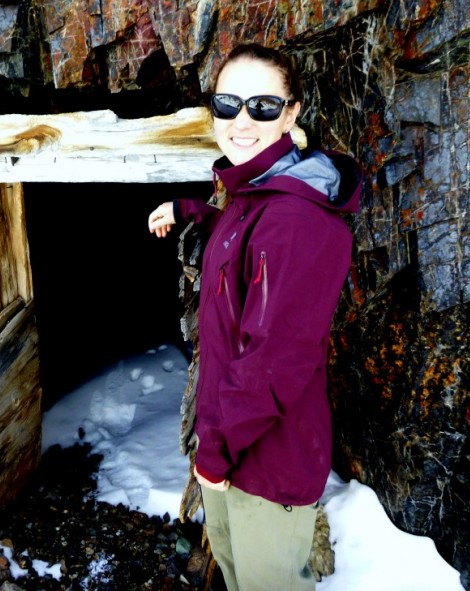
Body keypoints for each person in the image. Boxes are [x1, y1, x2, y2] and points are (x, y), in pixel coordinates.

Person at [147, 43, 361, 591]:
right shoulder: (254, 195)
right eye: (227, 104)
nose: (242, 121)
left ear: (291, 114)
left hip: (267, 462)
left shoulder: (296, 221)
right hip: (231, 440)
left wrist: (213, 453)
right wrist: (190, 210)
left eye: (263, 106)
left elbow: (274, 358)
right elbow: (241, 230)